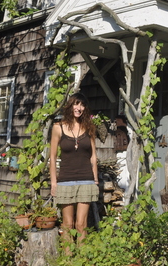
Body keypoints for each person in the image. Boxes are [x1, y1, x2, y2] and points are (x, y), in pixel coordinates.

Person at [50, 92, 99, 244]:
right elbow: (52, 157)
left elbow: (93, 156)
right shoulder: (58, 128)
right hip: (65, 180)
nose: (79, 108)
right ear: (70, 105)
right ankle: (67, 258)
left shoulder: (89, 127)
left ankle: (81, 258)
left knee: (81, 224)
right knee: (67, 224)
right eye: (76, 104)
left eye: (82, 105)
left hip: (86, 180)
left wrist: (95, 179)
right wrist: (53, 182)